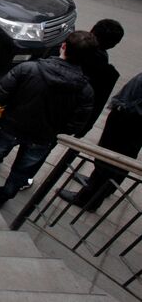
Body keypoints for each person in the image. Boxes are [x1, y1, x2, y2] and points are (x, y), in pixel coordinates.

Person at [0, 31, 97, 210]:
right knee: (22, 172)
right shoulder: (85, 91)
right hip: (43, 137)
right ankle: (2, 197)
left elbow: (0, 96)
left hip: (10, 126)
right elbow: (76, 124)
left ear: (63, 46)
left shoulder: (28, 69)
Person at [20, 19, 124, 191]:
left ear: (92, 30)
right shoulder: (107, 73)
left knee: (15, 137)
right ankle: (24, 177)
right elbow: (95, 105)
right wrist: (82, 128)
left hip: (30, 107)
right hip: (58, 122)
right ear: (113, 44)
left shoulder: (67, 48)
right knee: (38, 151)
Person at [58, 72, 142, 211]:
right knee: (114, 155)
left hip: (131, 118)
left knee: (111, 157)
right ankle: (102, 187)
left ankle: (88, 198)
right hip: (129, 114)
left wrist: (125, 108)